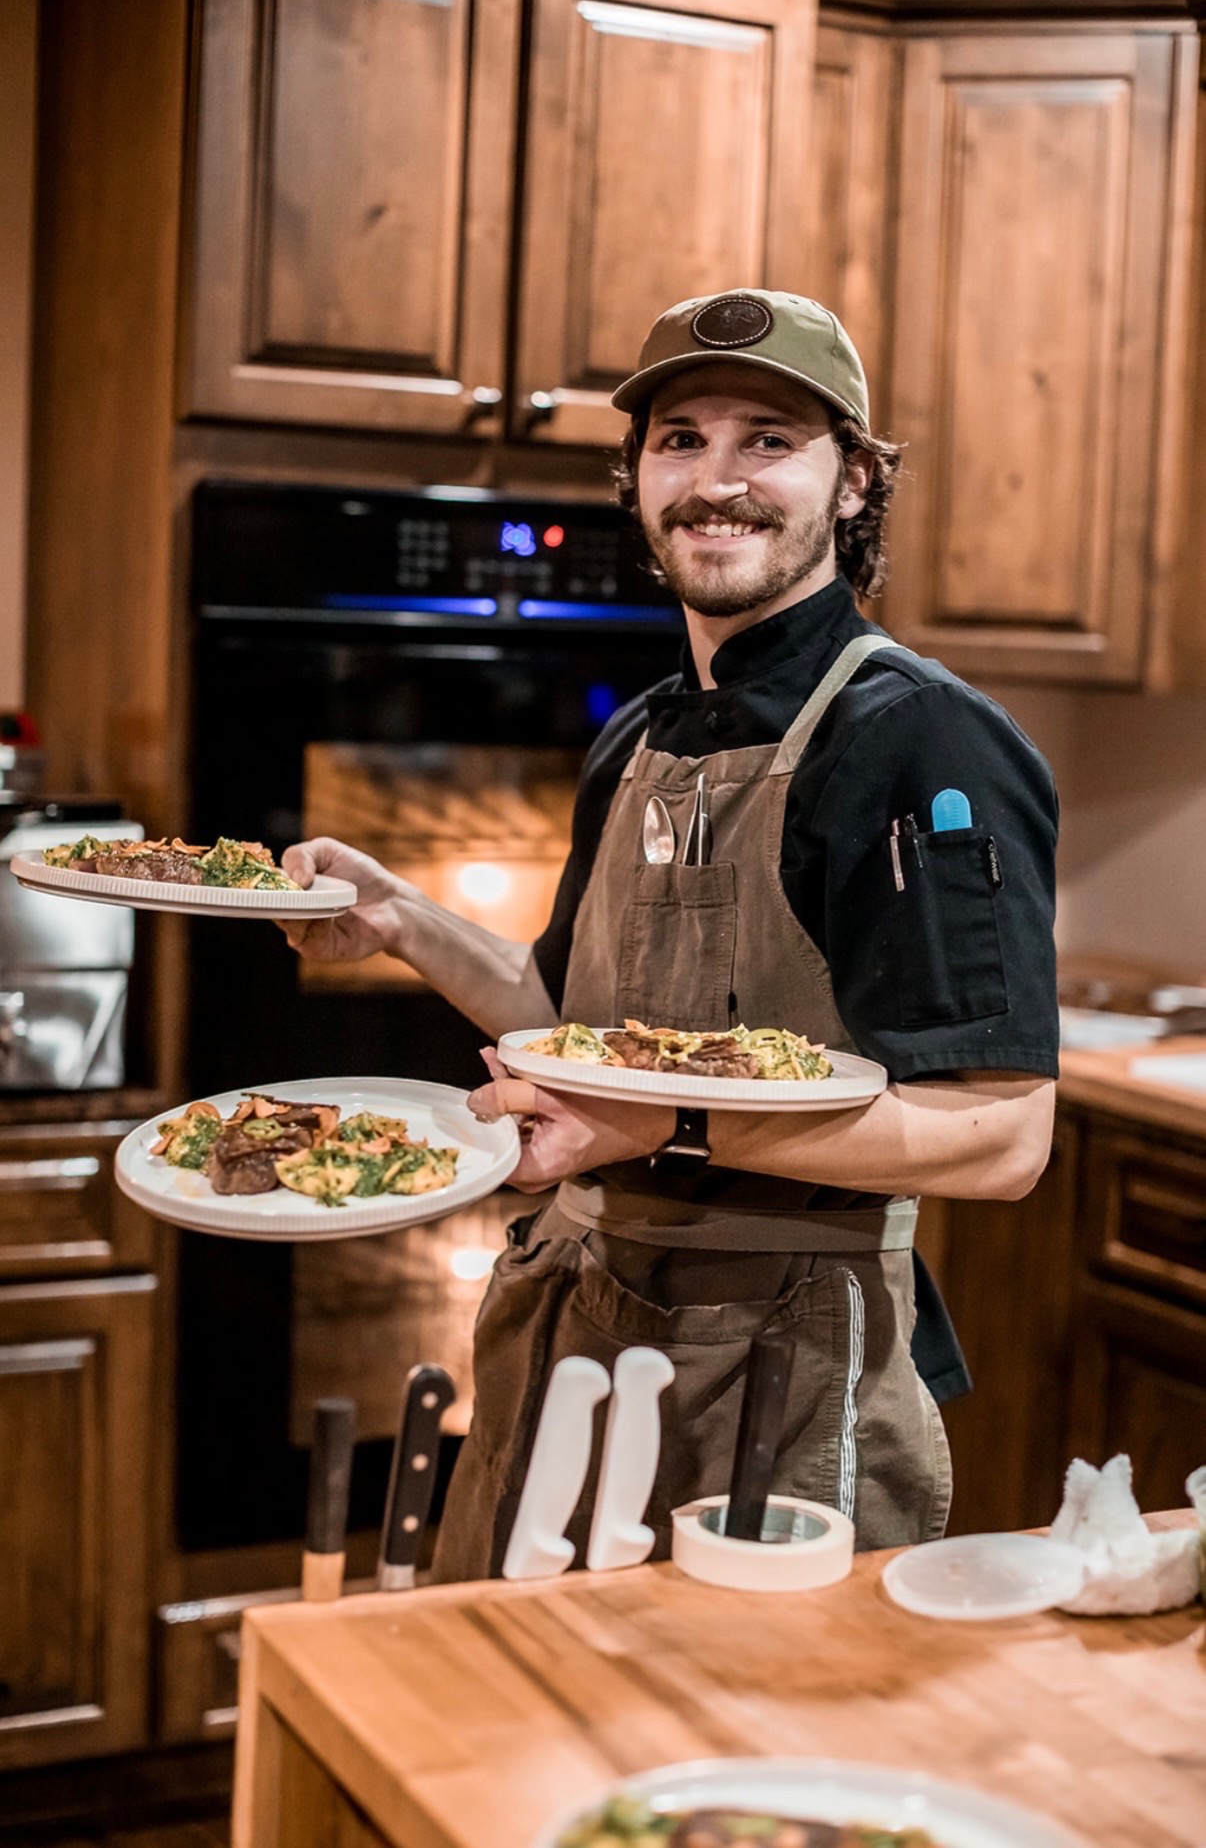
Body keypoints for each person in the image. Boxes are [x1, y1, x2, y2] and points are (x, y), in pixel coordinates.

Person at [281, 290, 1059, 1582]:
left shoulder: (915, 740)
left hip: (783, 1366)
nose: (717, 481)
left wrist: (671, 1126)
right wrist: (399, 919)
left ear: (853, 483)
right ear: (634, 480)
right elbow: (558, 1008)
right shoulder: (638, 734)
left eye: (768, 439)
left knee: (713, 1736)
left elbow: (1002, 1132)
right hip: (577, 1316)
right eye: (679, 438)